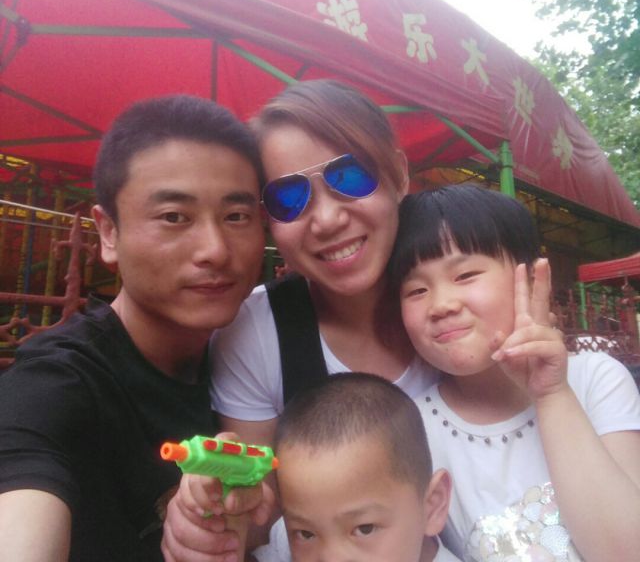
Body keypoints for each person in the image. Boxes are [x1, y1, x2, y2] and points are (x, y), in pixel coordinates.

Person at [162, 79, 439, 560]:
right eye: (288, 198)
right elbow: (260, 513)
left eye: (350, 176)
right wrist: (217, 516)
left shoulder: (466, 304)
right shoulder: (257, 330)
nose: (327, 219)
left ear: (398, 173)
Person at [0, 95, 270, 561]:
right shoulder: (61, 383)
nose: (215, 249)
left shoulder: (255, 356)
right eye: (174, 217)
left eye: (236, 216)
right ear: (108, 232)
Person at [388, 184, 640, 561]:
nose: (441, 305)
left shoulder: (595, 380)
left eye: (465, 275)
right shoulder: (413, 431)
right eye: (416, 290)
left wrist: (551, 394)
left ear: (533, 279)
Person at [257, 371, 460, 562]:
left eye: (365, 529)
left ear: (432, 506)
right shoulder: (287, 537)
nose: (332, 558)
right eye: (306, 534)